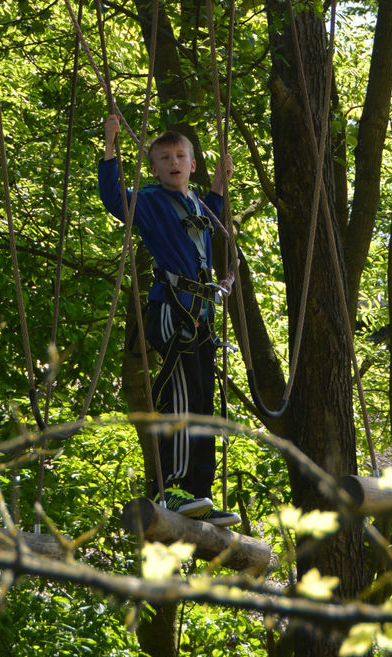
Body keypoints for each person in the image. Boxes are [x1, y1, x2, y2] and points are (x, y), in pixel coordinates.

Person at [99, 113, 240, 527]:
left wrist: (218, 184)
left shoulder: (196, 203)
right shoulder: (150, 201)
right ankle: (172, 486)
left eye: (181, 156)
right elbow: (114, 200)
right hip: (172, 310)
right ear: (154, 167)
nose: (174, 163)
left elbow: (208, 219)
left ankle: (199, 492)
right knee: (180, 396)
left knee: (201, 403)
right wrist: (110, 147)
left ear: (192, 165)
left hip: (201, 315)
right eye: (164, 158)